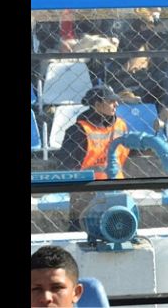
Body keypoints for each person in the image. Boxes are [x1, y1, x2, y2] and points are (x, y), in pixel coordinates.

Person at [56, 85, 130, 231]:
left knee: (118, 229)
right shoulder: (78, 130)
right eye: (111, 101)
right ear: (97, 105)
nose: (116, 104)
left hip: (117, 188)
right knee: (81, 231)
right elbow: (67, 165)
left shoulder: (121, 125)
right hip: (87, 191)